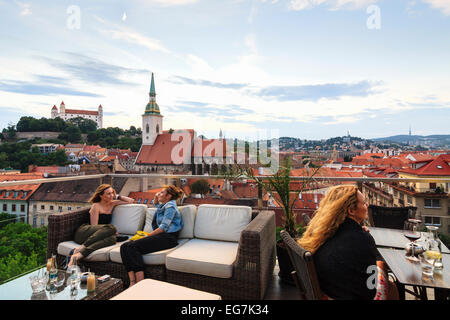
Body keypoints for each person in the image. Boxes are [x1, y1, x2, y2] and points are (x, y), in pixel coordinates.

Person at [297, 185, 398, 300]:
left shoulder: (322, 232)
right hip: (346, 293)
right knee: (390, 283)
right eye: (364, 203)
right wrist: (363, 237)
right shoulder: (363, 238)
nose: (367, 205)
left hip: (328, 290)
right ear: (351, 211)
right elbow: (370, 289)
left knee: (383, 273)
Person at [120, 185, 184, 287]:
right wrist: (156, 199)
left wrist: (147, 236)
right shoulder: (165, 205)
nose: (159, 194)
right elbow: (158, 207)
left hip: (168, 238)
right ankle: (132, 281)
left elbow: (163, 227)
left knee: (133, 247)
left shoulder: (170, 207)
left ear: (169, 196)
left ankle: (140, 282)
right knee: (124, 247)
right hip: (162, 236)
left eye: (162, 193)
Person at [67, 184, 134, 267]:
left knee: (112, 239)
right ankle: (81, 247)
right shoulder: (96, 206)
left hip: (97, 235)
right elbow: (94, 226)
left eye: (112, 193)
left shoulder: (112, 203)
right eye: (108, 194)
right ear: (101, 196)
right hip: (84, 232)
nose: (111, 196)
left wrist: (118, 196)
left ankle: (78, 255)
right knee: (111, 228)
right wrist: (109, 231)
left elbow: (131, 201)